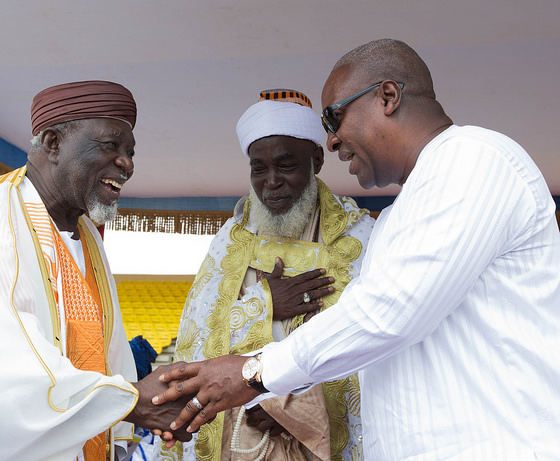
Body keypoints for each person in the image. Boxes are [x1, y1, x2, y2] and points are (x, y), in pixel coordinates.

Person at [153, 39, 560, 460]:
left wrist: (256, 373)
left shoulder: (472, 160)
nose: (332, 140)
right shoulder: (407, 209)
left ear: (387, 97)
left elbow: (388, 313)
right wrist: (272, 387)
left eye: (335, 117)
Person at [0, 80, 192, 460]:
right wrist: (129, 402)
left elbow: (104, 354)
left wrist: (142, 408)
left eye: (130, 151)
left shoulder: (86, 235)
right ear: (52, 143)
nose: (127, 163)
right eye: (111, 145)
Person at [157, 89, 374, 461]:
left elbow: (371, 340)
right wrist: (265, 304)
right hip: (237, 431)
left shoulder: (357, 238)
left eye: (286, 165)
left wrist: (292, 402)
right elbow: (199, 337)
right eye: (259, 168)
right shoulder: (231, 240)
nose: (271, 181)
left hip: (322, 438)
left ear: (317, 160)